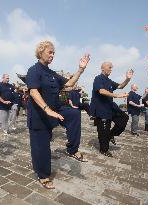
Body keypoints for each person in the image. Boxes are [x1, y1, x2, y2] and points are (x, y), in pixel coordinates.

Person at [26, 40, 90, 189]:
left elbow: (68, 84)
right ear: (40, 52)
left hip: (55, 108)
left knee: (74, 114)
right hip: (39, 113)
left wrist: (80, 70)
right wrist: (47, 109)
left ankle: (72, 149)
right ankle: (43, 175)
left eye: (54, 52)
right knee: (41, 146)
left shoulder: (51, 73)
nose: (52, 55)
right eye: (50, 52)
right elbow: (33, 91)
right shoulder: (33, 70)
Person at [89, 62, 131, 157]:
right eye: (109, 67)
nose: (111, 69)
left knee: (124, 118)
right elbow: (101, 91)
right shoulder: (98, 78)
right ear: (102, 68)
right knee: (104, 132)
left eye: (112, 68)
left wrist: (128, 79)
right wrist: (117, 95)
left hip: (110, 107)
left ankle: (111, 134)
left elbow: (121, 86)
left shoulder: (109, 81)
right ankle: (104, 150)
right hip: (101, 109)